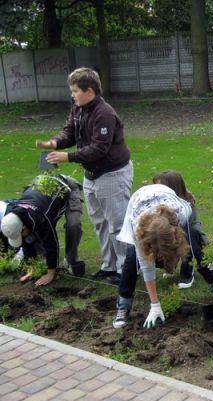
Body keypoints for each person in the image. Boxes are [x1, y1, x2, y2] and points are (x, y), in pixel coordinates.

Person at [36, 67, 132, 285]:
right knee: (100, 223)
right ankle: (108, 266)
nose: (72, 95)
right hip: (91, 175)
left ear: (89, 90)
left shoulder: (104, 113)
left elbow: (100, 148)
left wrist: (67, 157)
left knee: (117, 224)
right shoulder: (78, 107)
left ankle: (125, 269)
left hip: (112, 174)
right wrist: (55, 143)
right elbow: (69, 131)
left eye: (75, 90)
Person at [112, 182, 213, 329]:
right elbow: (147, 268)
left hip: (168, 201)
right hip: (138, 202)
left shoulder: (182, 211)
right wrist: (155, 304)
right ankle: (124, 304)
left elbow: (192, 228)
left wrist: (186, 267)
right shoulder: (138, 228)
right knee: (132, 256)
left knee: (193, 240)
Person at [0, 173, 83, 286]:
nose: (22, 236)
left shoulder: (41, 218)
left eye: (21, 234)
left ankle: (71, 259)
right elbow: (26, 241)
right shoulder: (15, 215)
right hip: (41, 189)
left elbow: (52, 243)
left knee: (74, 225)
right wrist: (31, 266)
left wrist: (50, 273)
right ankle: (44, 261)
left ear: (23, 226)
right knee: (33, 236)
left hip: (66, 187)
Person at [152, 170, 204, 289]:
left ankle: (187, 272)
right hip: (164, 238)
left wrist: (205, 245)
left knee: (190, 232)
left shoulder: (186, 202)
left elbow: (195, 226)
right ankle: (168, 264)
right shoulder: (153, 201)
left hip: (181, 238)